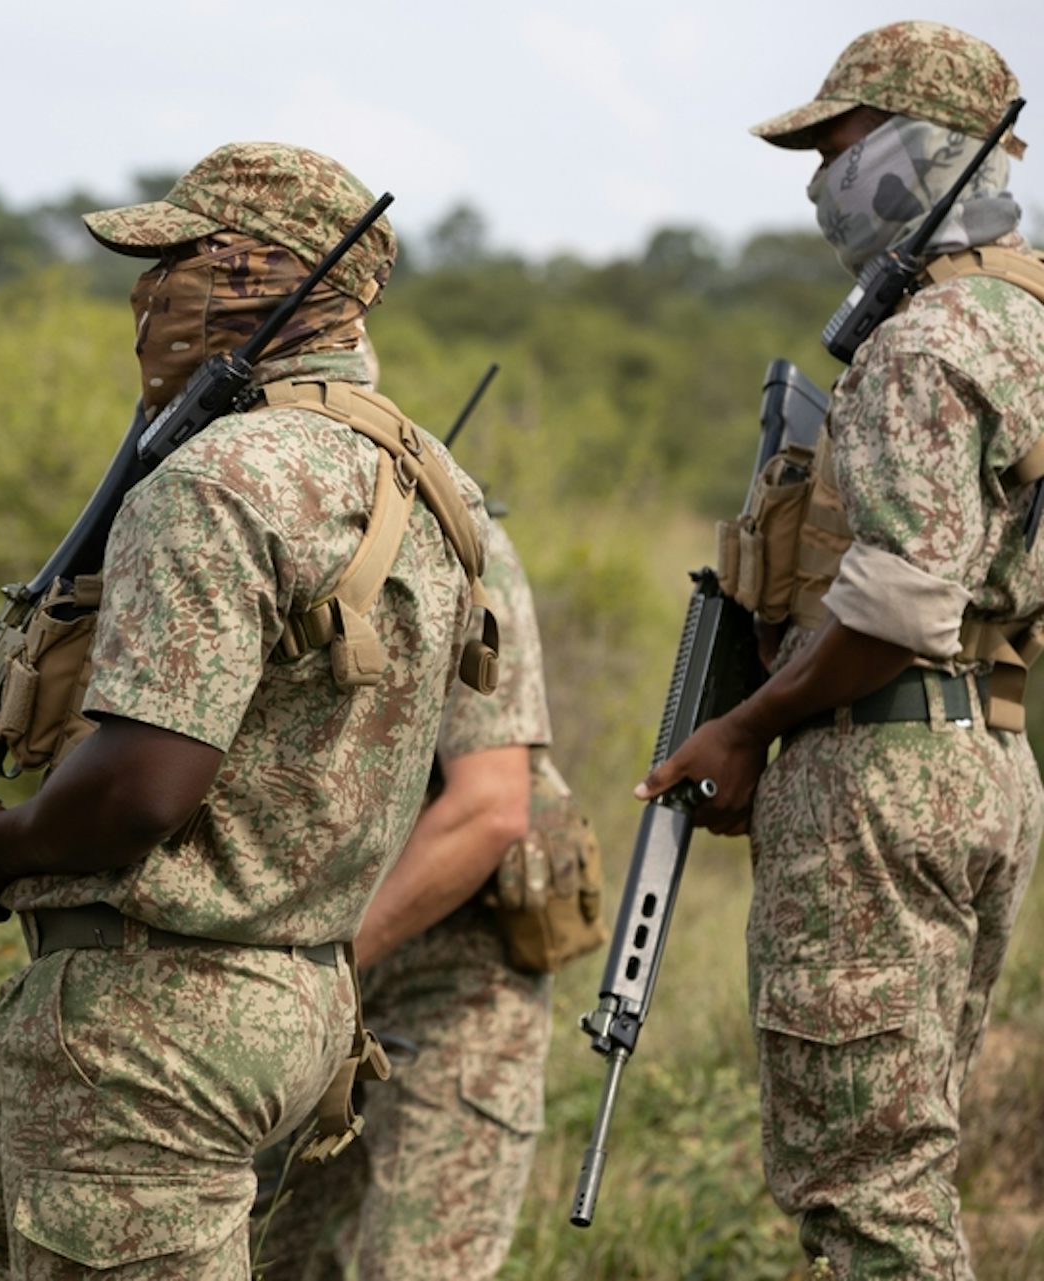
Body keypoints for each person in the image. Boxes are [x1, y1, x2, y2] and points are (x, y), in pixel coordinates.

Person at [0, 142, 492, 1279]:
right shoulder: (421, 471)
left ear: (256, 274)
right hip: (297, 991)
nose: (144, 296)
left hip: (156, 1016)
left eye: (174, 263)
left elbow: (144, 785)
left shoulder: (216, 477)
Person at [643, 21, 1044, 1278]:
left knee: (867, 1195)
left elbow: (894, 607)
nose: (821, 176)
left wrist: (745, 726)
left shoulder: (930, 340)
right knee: (901, 1160)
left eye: (840, 144)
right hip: (988, 756)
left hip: (883, 773)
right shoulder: (1027, 320)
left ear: (924, 154)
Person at [256, 517, 575, 1281]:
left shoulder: (456, 538)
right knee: (262, 1257)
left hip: (448, 998)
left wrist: (322, 965)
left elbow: (490, 809)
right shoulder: (258, 527)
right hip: (299, 1008)